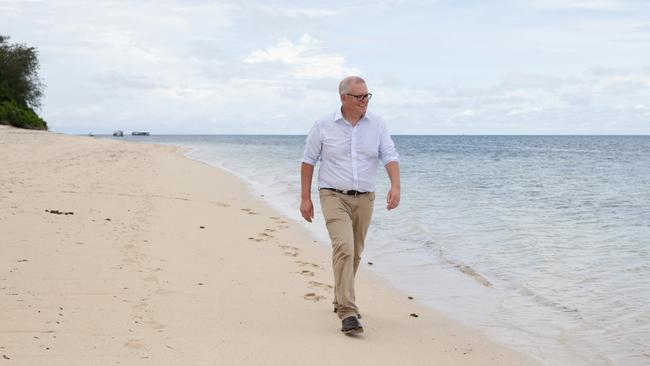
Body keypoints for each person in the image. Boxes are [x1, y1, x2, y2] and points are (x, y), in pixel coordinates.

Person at [300, 76, 401, 334]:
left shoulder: (377, 124)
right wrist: (305, 198)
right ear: (343, 98)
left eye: (367, 95)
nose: (364, 100)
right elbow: (308, 160)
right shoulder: (323, 125)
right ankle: (348, 312)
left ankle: (339, 297)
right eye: (359, 97)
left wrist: (395, 186)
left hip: (365, 198)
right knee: (343, 248)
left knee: (354, 253)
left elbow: (389, 154)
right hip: (333, 195)